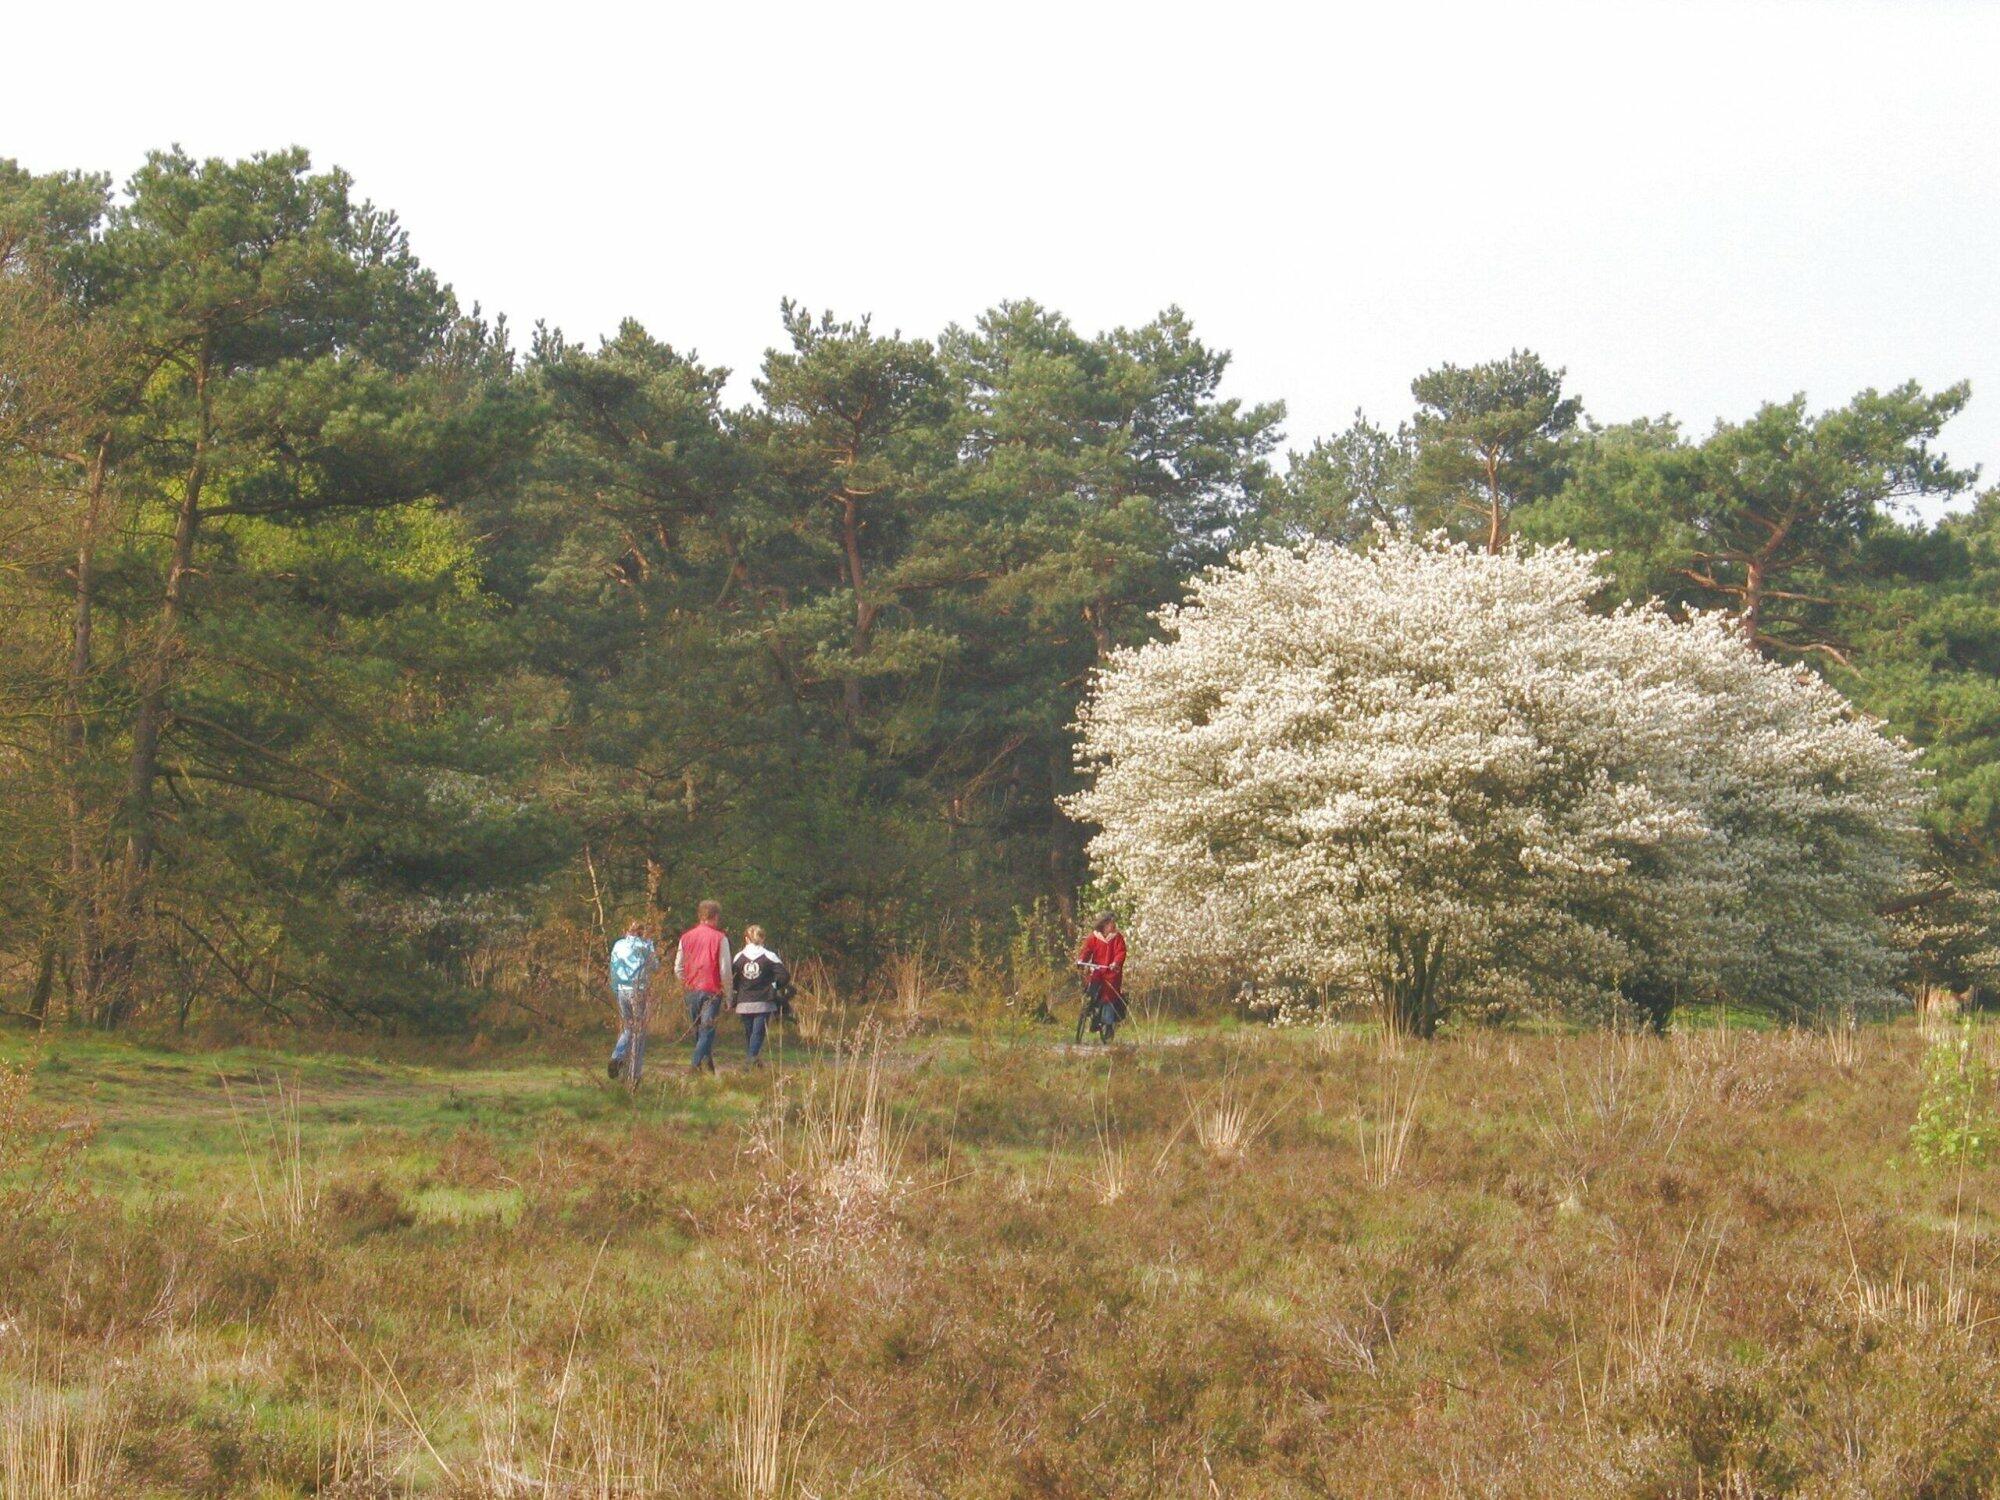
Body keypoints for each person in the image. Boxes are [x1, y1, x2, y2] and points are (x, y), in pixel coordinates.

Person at [675, 899, 734, 1073]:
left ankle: (707, 1068)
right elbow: (725, 969)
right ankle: (694, 1066)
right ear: (715, 916)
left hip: (691, 989)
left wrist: (684, 983)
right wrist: (729, 995)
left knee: (699, 1031)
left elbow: (678, 966)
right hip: (712, 989)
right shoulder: (720, 938)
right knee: (707, 1031)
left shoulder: (685, 937)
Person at [730, 924, 792, 1066]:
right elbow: (784, 976)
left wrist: (736, 992)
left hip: (744, 1002)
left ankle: (753, 1061)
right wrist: (773, 986)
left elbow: (732, 979)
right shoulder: (769, 956)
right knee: (758, 1033)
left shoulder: (739, 957)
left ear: (746, 939)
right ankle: (750, 1061)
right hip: (764, 1001)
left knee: (749, 1033)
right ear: (763, 938)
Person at [607, 920, 659, 1084]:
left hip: (621, 989)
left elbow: (613, 967)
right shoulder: (645, 946)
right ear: (642, 932)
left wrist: (615, 988)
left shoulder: (618, 945)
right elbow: (655, 966)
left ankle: (618, 1055)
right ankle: (634, 1075)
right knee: (639, 1033)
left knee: (628, 1027)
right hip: (638, 989)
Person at [1076, 911, 1128, 1042]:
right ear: (1104, 924)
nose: (1114, 926)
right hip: (1097, 972)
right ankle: (1089, 1011)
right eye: (1111, 923)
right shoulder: (1093, 937)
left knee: (1108, 998)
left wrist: (1116, 963)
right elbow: (1086, 950)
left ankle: (1108, 1024)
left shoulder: (1117, 938)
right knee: (1091, 991)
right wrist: (1081, 960)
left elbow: (1120, 952)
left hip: (1111, 974)